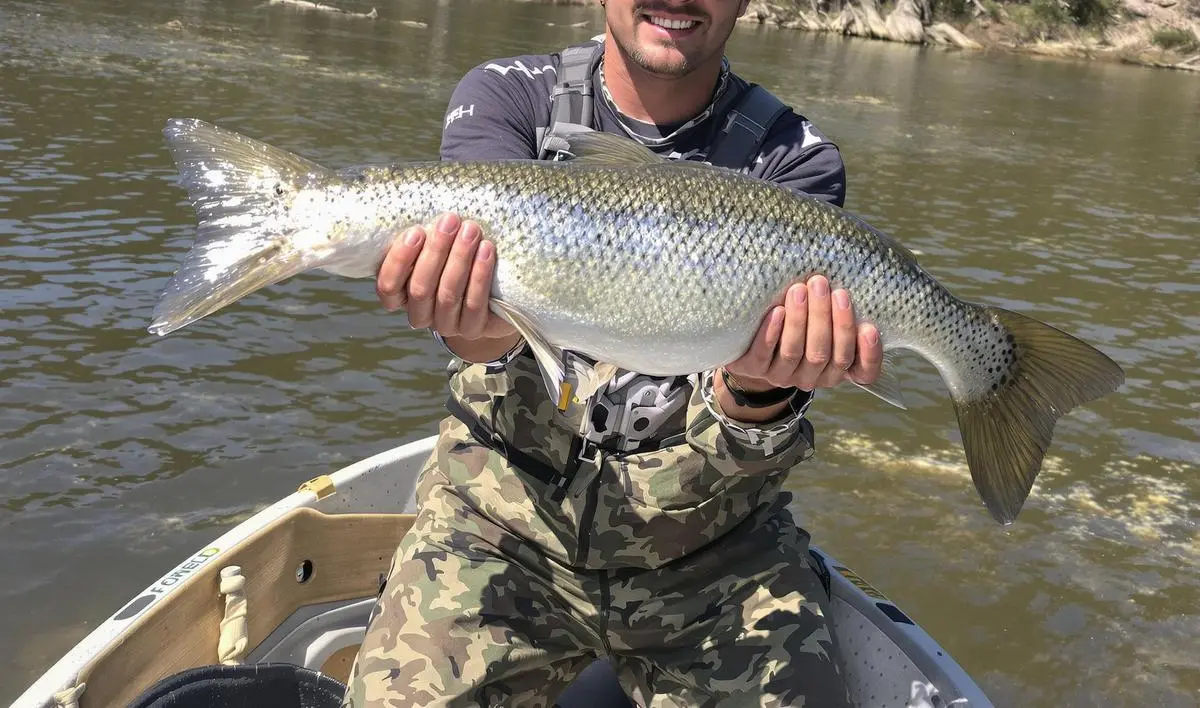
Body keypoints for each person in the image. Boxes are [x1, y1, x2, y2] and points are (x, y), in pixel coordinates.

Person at [342, 1, 883, 706]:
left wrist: (760, 388)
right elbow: (486, 337)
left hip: (715, 554)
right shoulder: (505, 96)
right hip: (504, 528)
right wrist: (468, 316)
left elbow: (752, 419)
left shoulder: (795, 159)